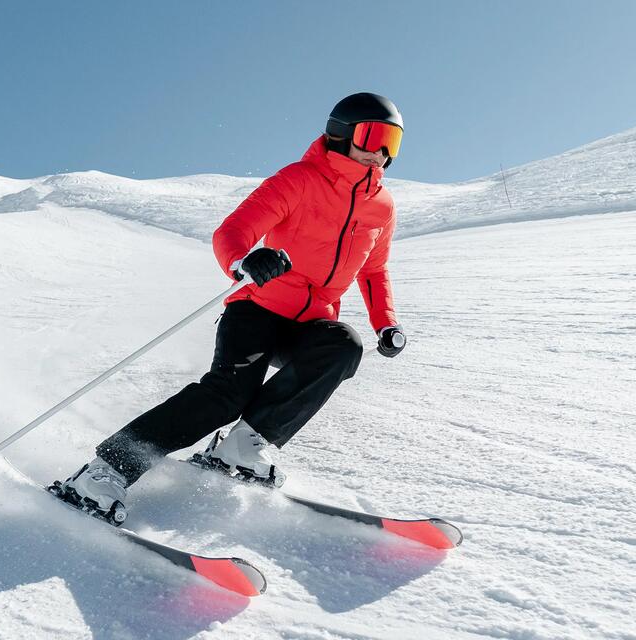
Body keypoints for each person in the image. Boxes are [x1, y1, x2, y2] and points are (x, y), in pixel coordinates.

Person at [50, 92, 409, 523]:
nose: (382, 153)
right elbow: (233, 230)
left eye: (394, 142)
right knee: (225, 397)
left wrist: (385, 323)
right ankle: (104, 471)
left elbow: (374, 270)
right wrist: (245, 261)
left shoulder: (382, 207)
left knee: (343, 347)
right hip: (257, 309)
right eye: (374, 136)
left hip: (310, 322)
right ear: (342, 134)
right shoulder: (299, 179)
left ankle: (242, 446)